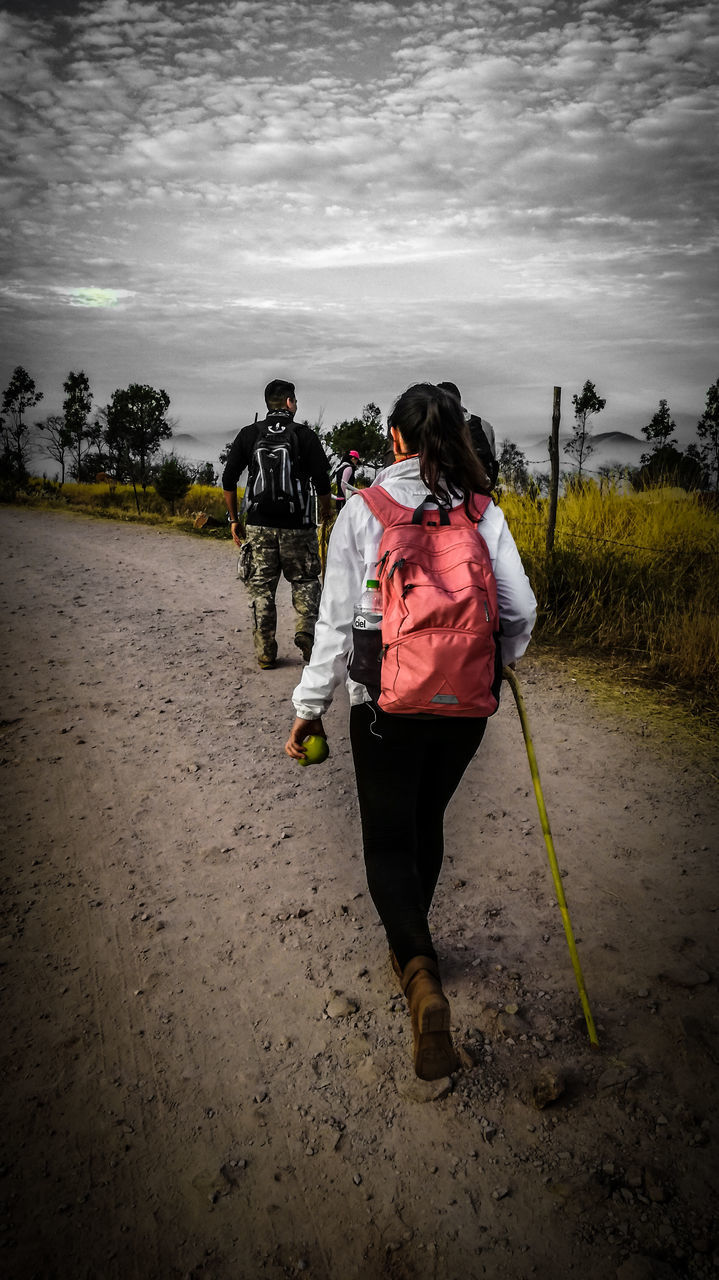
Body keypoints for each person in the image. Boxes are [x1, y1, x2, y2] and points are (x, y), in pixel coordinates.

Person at [285, 383, 536, 1080]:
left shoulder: (364, 510)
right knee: (427, 818)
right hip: (464, 703)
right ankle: (412, 940)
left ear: (393, 438)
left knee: (387, 835)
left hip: (382, 702)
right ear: (458, 438)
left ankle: (416, 966)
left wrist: (308, 707)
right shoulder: (482, 511)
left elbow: (335, 625)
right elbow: (519, 611)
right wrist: (495, 665)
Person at [223, 379, 333, 670]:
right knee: (306, 581)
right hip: (299, 525)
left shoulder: (249, 434)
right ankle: (305, 631)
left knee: (261, 588)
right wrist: (325, 516)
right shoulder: (304, 435)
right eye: (295, 401)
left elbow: (228, 480)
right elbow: (323, 481)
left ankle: (266, 652)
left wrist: (235, 520)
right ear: (289, 403)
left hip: (259, 527)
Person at [437, 381, 499, 487]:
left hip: (453, 493)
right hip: (482, 489)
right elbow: (493, 462)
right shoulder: (485, 425)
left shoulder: (437, 425)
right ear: (459, 400)